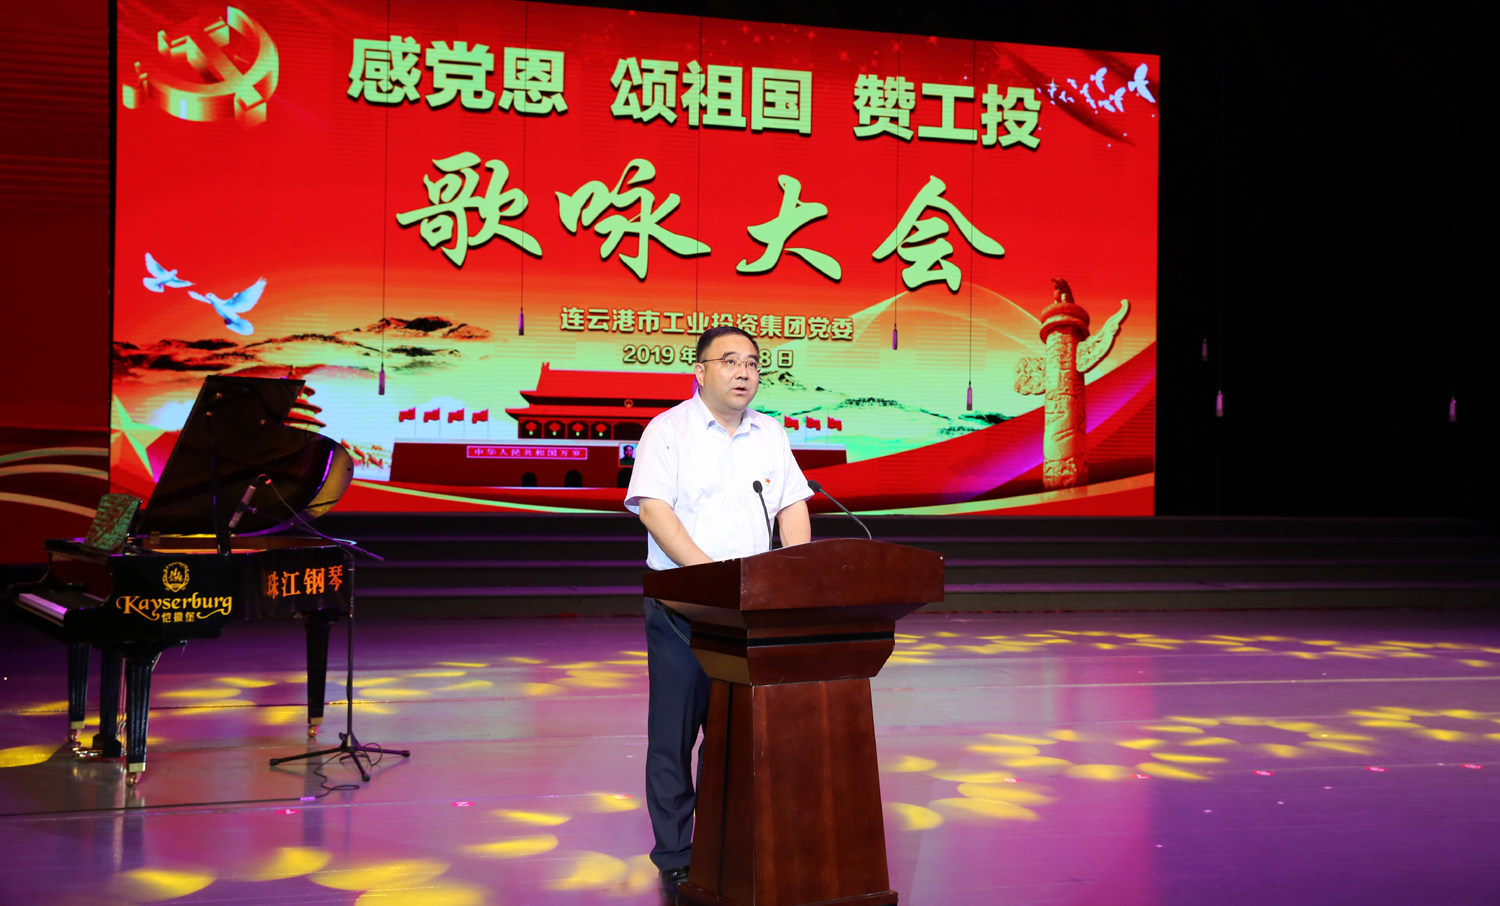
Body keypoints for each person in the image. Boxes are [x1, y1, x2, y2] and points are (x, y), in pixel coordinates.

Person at [624, 325, 812, 899]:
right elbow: (654, 510)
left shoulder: (769, 432)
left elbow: (792, 506)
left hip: (749, 612)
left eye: (752, 362)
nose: (743, 372)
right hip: (683, 608)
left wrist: (799, 574)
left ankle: (726, 841)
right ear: (700, 371)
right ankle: (677, 855)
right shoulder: (668, 430)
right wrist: (711, 579)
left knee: (736, 737)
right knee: (674, 738)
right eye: (730, 361)